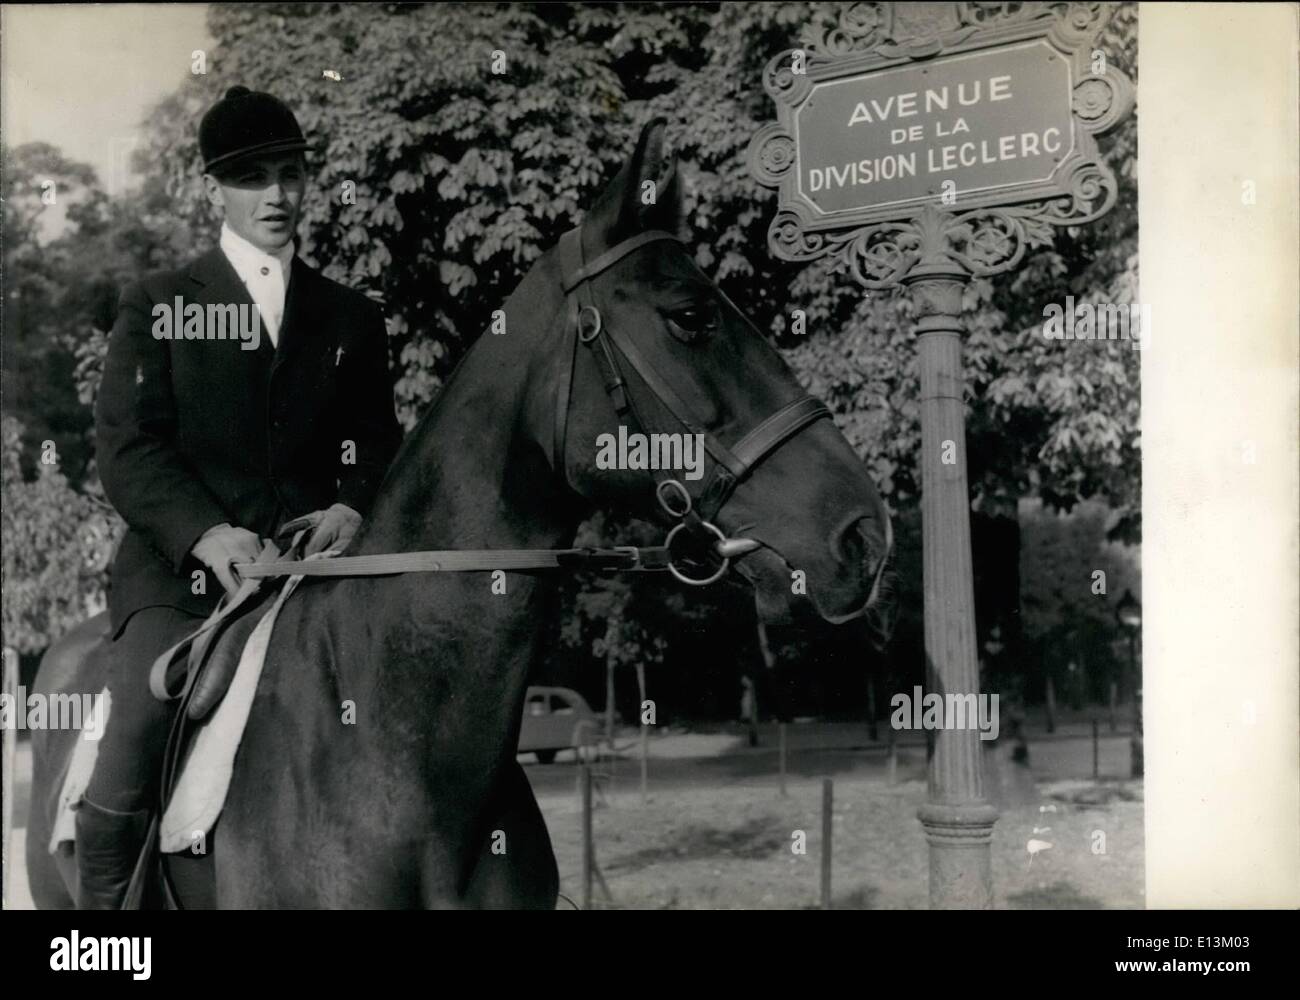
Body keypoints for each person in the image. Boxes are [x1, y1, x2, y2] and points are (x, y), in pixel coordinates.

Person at [80, 86, 402, 908]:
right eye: (253, 177)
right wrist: (207, 534)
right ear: (211, 189)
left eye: (290, 173)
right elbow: (129, 448)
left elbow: (373, 442)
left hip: (312, 579)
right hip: (182, 582)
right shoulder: (158, 303)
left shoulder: (352, 317)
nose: (278, 194)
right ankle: (100, 940)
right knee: (133, 740)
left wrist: (353, 502)